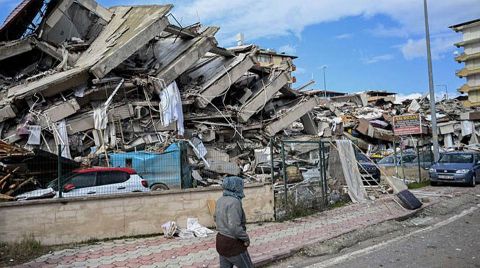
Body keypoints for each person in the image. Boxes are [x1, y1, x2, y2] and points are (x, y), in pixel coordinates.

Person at [214, 176, 254, 268]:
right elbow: (234, 227)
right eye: (240, 185)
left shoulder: (220, 200)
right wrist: (246, 238)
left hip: (220, 241)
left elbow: (215, 218)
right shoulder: (235, 202)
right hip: (232, 244)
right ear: (235, 186)